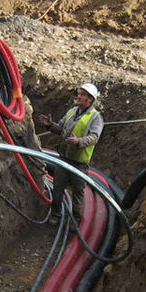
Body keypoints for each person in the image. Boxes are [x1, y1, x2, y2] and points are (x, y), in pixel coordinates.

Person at [37, 82, 104, 219]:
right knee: (58, 188)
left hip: (79, 163)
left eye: (82, 95)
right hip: (64, 159)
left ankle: (77, 217)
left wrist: (79, 141)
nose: (79, 96)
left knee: (78, 192)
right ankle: (56, 214)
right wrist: (50, 126)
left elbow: (94, 137)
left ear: (90, 99)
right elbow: (61, 129)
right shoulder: (72, 112)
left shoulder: (95, 117)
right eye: (79, 94)